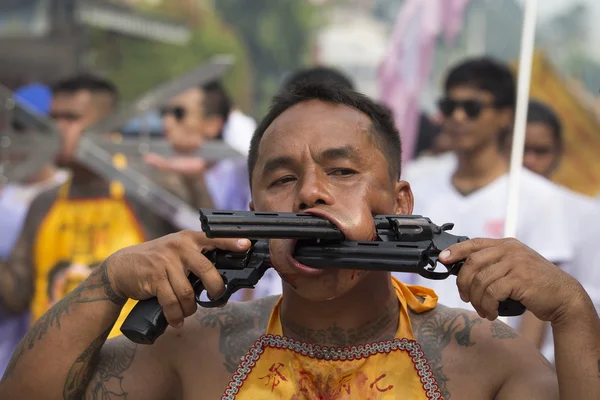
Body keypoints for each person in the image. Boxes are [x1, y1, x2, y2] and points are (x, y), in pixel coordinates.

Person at [1, 82, 598, 399]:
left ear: (401, 202)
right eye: (283, 179)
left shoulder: (487, 361)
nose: (311, 192)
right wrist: (106, 283)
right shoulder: (193, 350)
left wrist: (573, 313)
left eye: (342, 171)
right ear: (255, 210)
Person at [398, 59, 574, 330]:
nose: (458, 117)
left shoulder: (539, 197)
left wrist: (524, 370)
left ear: (505, 116)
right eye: (449, 107)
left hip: (503, 359)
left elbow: (539, 311)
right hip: (419, 353)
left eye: (472, 108)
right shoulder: (416, 185)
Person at [3, 75, 176, 341]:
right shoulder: (43, 203)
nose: (57, 129)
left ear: (109, 126)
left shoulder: (148, 193)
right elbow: (16, 295)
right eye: (53, 118)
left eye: (71, 118)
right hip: (49, 369)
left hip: (129, 371)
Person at [502, 99, 600, 364]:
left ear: (559, 152)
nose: (529, 161)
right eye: (521, 150)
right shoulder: (495, 204)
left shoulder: (587, 214)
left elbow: (590, 293)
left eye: (540, 151)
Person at [0, 83, 70, 376]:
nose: (19, 138)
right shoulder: (5, 191)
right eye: (15, 127)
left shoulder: (64, 193)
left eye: (29, 128)